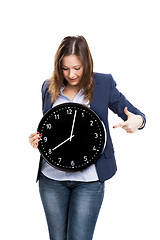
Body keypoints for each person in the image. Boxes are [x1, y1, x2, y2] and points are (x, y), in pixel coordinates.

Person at [29, 35, 146, 240]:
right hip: (52, 180)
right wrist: (38, 140)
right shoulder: (49, 87)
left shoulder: (103, 84)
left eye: (77, 67)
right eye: (65, 69)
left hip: (89, 181)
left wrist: (137, 121)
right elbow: (52, 127)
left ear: (87, 63)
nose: (71, 74)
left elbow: (137, 114)